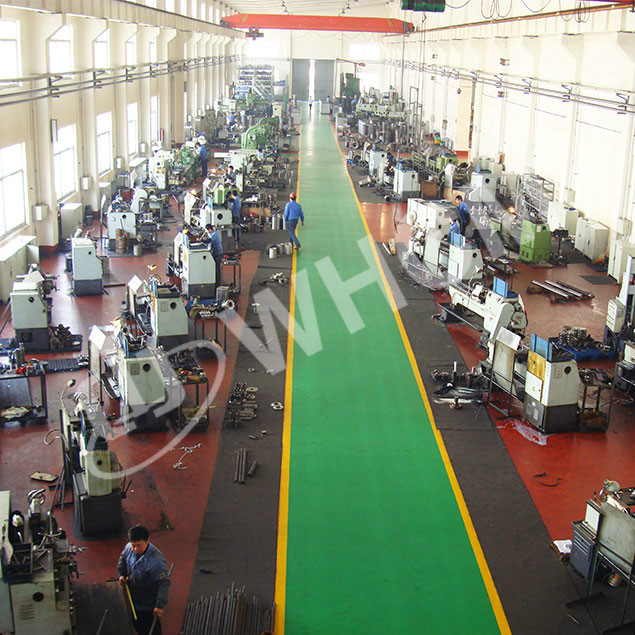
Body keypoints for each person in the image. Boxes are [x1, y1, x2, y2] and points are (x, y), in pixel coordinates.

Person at [118, 525, 170, 635]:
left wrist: (159, 606)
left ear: (148, 541)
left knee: (151, 629)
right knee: (137, 625)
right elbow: (122, 559)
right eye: (133, 545)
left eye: (139, 545)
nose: (135, 549)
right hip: (132, 598)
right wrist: (121, 574)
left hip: (148, 603)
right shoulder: (129, 547)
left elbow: (163, 584)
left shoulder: (156, 561)